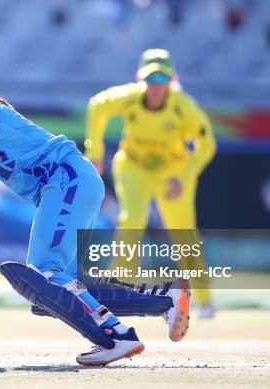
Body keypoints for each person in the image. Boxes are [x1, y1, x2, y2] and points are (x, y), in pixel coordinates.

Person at [0, 49, 191, 366]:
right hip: (72, 184)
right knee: (56, 292)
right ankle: (165, 300)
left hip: (66, 180)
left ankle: (117, 336)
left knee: (45, 274)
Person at [84, 48, 217, 319]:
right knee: (131, 221)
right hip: (134, 166)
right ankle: (122, 290)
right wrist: (95, 152)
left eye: (162, 80)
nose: (156, 87)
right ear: (141, 79)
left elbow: (207, 144)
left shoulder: (183, 106)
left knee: (183, 233)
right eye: (151, 80)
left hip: (174, 173)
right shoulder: (131, 97)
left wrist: (183, 175)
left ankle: (204, 299)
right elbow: (97, 105)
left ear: (172, 80)